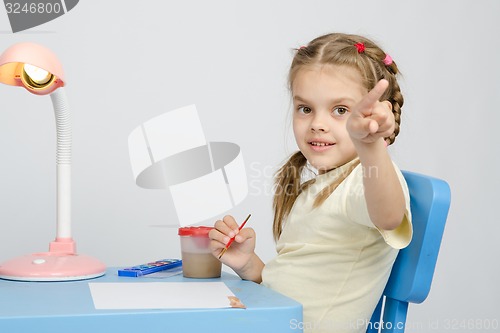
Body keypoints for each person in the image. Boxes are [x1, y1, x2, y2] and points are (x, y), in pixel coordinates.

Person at [209, 32, 412, 333]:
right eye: (305, 109)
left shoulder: (365, 179)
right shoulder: (321, 185)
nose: (318, 123)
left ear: (375, 112)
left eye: (340, 111)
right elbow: (293, 288)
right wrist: (248, 264)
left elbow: (389, 216)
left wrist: (371, 146)